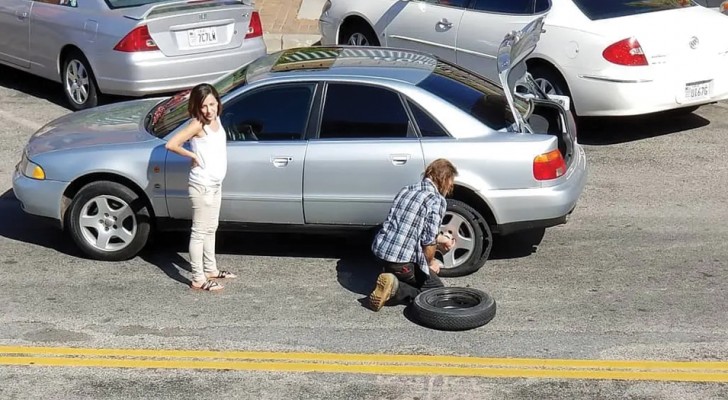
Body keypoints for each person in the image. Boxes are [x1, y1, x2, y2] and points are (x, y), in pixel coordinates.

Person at [165, 83, 237, 291]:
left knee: (211, 228)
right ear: (197, 107)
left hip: (215, 184)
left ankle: (211, 269)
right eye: (204, 106)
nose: (209, 110)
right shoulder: (198, 124)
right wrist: (192, 155)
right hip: (202, 185)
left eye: (212, 104)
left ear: (217, 102)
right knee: (198, 232)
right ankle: (198, 278)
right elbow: (172, 144)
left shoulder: (216, 119)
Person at [368, 158, 458, 311]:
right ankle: (396, 290)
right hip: (401, 263)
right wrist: (430, 264)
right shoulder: (436, 200)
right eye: (451, 181)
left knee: (405, 269)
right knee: (436, 292)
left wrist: (442, 238)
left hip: (380, 254)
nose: (451, 186)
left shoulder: (407, 189)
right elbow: (428, 242)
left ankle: (390, 274)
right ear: (444, 179)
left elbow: (411, 228)